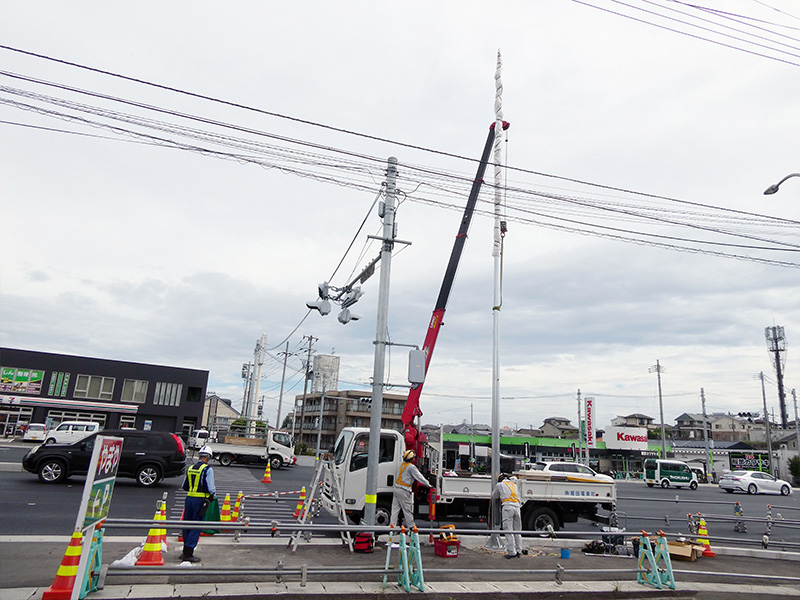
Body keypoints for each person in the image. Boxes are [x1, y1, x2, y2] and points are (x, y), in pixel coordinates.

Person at [180, 444, 216, 562]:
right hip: (200, 501)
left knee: (187, 524)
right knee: (196, 525)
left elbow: (184, 486)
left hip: (189, 499)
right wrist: (212, 496)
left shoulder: (190, 468)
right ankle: (189, 553)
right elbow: (211, 488)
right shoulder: (207, 469)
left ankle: (185, 551)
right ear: (208, 457)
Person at [389, 449, 430, 530]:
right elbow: (419, 477)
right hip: (404, 490)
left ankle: (392, 528)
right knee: (407, 510)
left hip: (396, 488)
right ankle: (411, 528)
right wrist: (428, 484)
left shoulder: (402, 465)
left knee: (395, 510)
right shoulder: (411, 467)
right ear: (411, 459)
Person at [493, 472, 522, 558]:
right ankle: (519, 551)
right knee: (517, 531)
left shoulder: (499, 485)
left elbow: (494, 496)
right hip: (517, 507)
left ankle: (511, 552)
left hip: (507, 507)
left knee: (508, 530)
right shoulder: (514, 485)